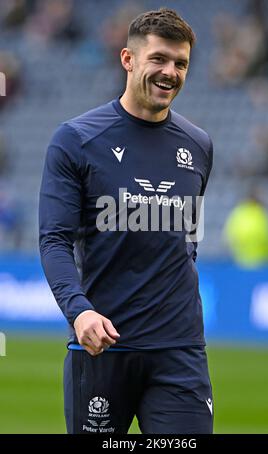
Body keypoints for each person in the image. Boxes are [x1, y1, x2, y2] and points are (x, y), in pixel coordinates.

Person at [39, 8, 213, 434]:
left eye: (181, 63)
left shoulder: (199, 145)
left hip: (179, 349)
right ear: (128, 59)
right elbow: (54, 240)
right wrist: (79, 313)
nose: (170, 72)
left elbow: (187, 239)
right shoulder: (76, 140)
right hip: (102, 347)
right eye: (158, 59)